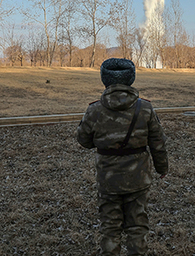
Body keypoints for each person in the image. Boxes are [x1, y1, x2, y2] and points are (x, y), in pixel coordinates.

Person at [76, 58, 168, 256]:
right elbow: (158, 143)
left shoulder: (94, 110)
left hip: (108, 179)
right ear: (131, 78)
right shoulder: (145, 108)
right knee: (137, 227)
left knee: (110, 229)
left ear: (104, 79)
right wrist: (162, 168)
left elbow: (83, 140)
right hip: (138, 178)